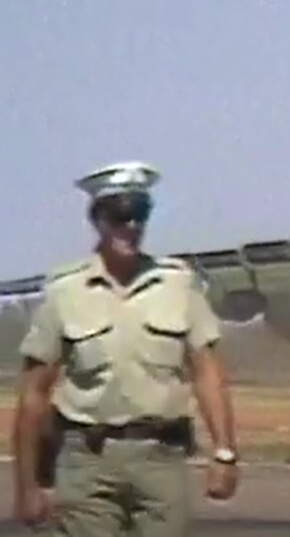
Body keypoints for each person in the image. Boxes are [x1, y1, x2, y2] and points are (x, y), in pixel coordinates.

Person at [12, 161, 240, 536]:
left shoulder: (178, 286)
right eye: (120, 215)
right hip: (88, 461)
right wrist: (27, 486)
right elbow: (34, 395)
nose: (131, 226)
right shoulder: (64, 292)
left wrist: (225, 453)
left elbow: (208, 374)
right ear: (97, 219)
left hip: (161, 459)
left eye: (140, 215)